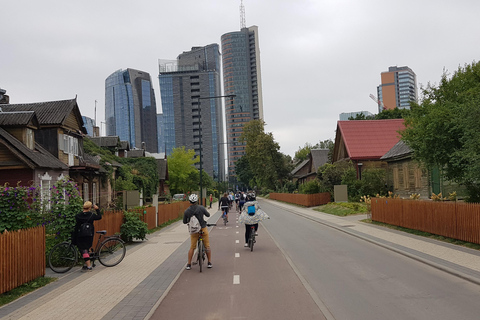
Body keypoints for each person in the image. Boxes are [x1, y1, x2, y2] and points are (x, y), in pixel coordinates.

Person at [183, 194, 212, 270]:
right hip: (202, 228)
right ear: (197, 201)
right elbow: (208, 215)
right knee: (207, 246)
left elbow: (184, 222)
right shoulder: (201, 208)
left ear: (189, 201)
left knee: (192, 247)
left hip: (194, 230)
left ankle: (189, 264)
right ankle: (209, 263)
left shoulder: (187, 211)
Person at [74, 201, 102, 271]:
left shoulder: (78, 216)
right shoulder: (92, 215)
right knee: (86, 249)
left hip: (81, 234)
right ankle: (88, 264)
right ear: (90, 207)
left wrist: (74, 234)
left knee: (83, 249)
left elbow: (77, 226)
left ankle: (89, 266)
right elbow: (99, 217)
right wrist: (97, 209)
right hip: (89, 234)